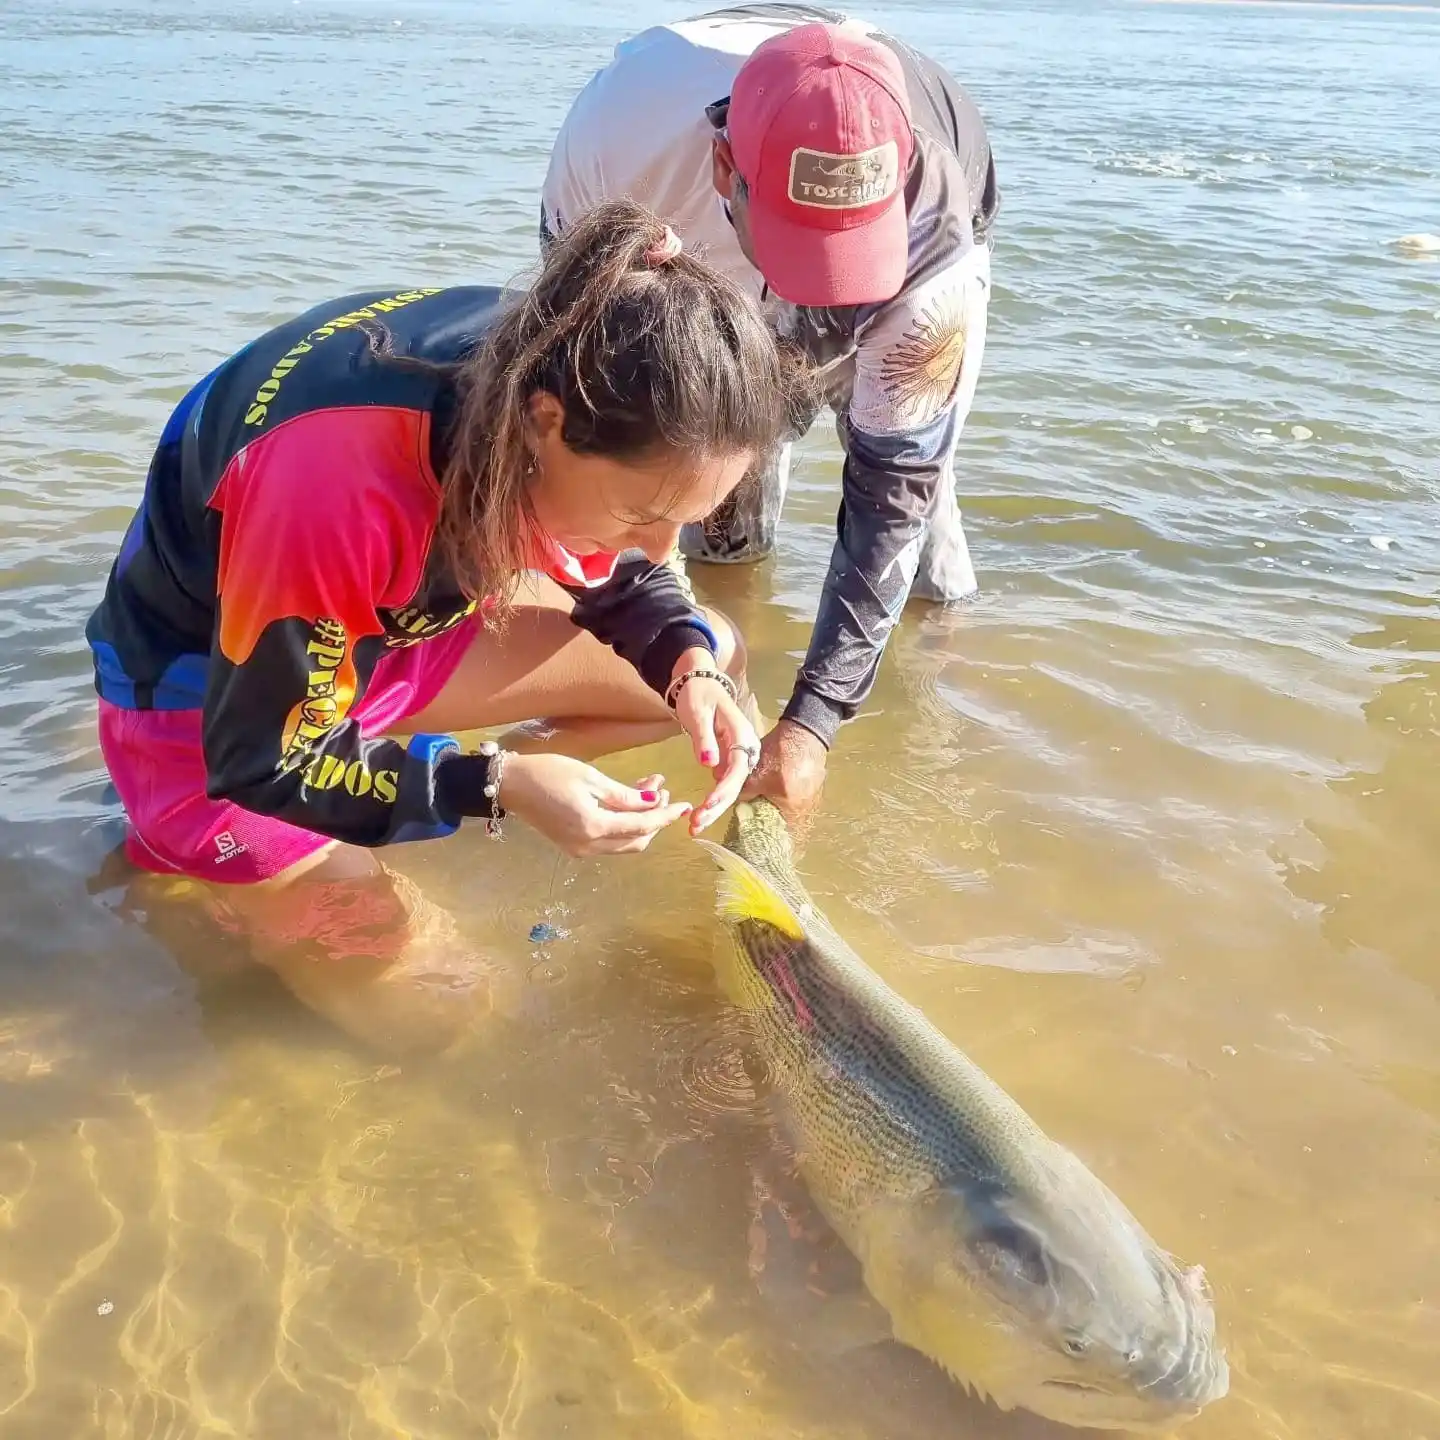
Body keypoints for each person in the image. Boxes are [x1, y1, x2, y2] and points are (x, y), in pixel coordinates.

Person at [86, 198, 811, 1054]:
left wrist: (688, 665)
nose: (659, 551)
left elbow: (633, 578)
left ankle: (412, 783)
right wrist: (497, 784)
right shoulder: (329, 490)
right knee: (453, 1012)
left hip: (367, 633)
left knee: (708, 650)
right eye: (642, 513)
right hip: (209, 718)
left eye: (684, 521)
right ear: (548, 423)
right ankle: (190, 855)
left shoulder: (572, 346)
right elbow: (262, 758)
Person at [542, 4, 1001, 823]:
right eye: (800, 248)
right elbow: (580, 395)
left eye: (843, 254)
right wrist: (675, 637)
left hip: (913, 273)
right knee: (710, 522)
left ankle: (924, 702)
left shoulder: (934, 232)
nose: (819, 292)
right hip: (690, 252)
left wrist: (815, 723)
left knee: (920, 523)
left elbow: (892, 487)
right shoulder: (617, 145)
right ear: (725, 166)